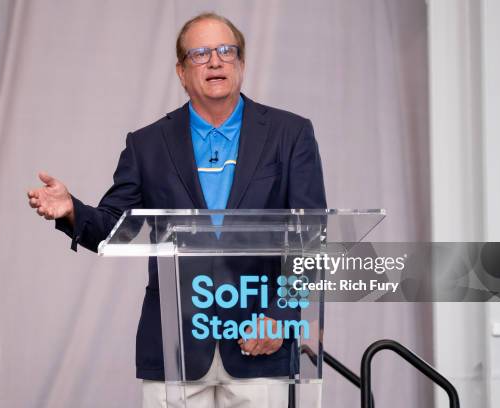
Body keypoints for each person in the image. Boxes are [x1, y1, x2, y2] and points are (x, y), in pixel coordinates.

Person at [28, 12, 326, 408]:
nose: (215, 61)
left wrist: (281, 314)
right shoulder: (147, 144)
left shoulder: (290, 134)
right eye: (200, 54)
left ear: (241, 63)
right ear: (182, 73)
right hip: (177, 344)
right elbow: (116, 227)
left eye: (226, 50)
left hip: (262, 342)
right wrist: (71, 210)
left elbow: (311, 238)